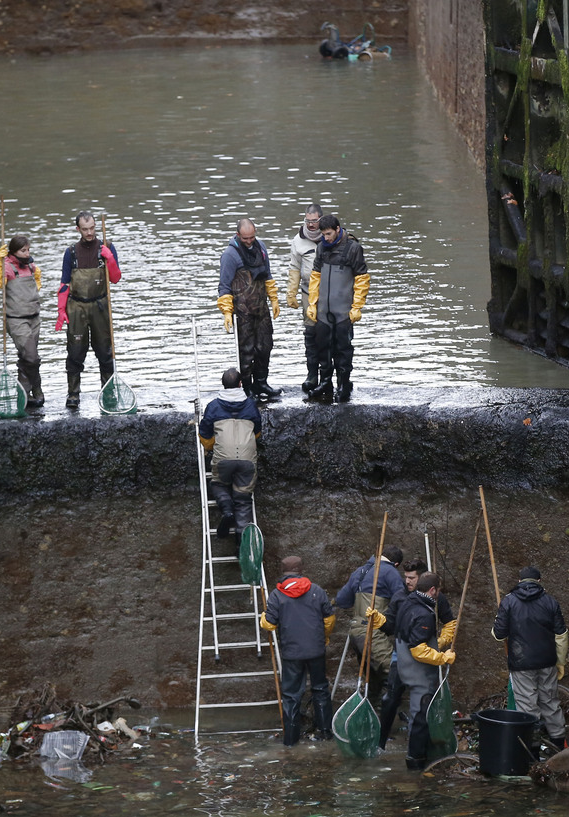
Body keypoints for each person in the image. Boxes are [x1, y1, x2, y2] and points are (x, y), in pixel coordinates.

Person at [368, 571, 455, 770]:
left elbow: (396, 628)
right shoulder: (424, 614)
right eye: (438, 591)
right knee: (420, 717)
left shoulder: (407, 603)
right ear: (433, 590)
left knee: (406, 707)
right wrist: (442, 657)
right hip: (418, 673)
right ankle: (415, 764)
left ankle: (389, 749)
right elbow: (418, 649)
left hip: (402, 666)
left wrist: (381, 621)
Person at [261, 555, 336, 746]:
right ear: (301, 570)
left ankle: (291, 739)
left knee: (291, 694)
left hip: (292, 652)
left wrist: (263, 617)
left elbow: (269, 624)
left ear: (283, 572)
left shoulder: (276, 595)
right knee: (320, 689)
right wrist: (324, 637)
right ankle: (325, 732)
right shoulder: (316, 591)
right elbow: (329, 619)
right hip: (316, 650)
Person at [492, 565, 569, 750]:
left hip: (521, 663)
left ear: (519, 582)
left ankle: (532, 753)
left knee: (527, 707)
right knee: (550, 703)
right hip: (547, 662)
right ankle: (558, 747)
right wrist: (560, 662)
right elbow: (561, 635)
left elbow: (499, 634)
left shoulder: (509, 601)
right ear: (539, 582)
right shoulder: (551, 602)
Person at [56, 211, 122, 409]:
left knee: (105, 351)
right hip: (76, 307)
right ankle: (73, 394)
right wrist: (61, 309)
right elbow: (64, 283)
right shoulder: (71, 252)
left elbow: (116, 278)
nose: (90, 233)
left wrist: (109, 259)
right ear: (78, 229)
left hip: (100, 305)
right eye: (85, 229)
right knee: (75, 352)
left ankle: (108, 392)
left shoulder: (107, 247)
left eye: (92, 228)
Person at [306, 214, 369, 404]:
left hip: (343, 312)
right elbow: (315, 276)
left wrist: (357, 306)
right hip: (324, 311)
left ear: (338, 229)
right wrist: (312, 303)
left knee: (343, 350)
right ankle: (325, 382)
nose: (326, 238)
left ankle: (344, 384)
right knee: (322, 349)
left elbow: (362, 279)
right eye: (323, 235)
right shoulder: (320, 249)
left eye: (329, 234)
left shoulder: (353, 248)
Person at [217, 218, 282, 401]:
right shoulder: (230, 255)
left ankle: (262, 382)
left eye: (252, 237)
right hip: (242, 311)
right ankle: (248, 387)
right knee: (246, 351)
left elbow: (267, 275)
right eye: (245, 238)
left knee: (265, 346)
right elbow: (224, 286)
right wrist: (227, 312)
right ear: (238, 235)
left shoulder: (260, 247)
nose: (249, 241)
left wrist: (274, 299)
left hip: (261, 309)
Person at [197, 367, 263, 540]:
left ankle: (227, 511)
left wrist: (211, 447)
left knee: (218, 484)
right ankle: (241, 545)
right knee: (243, 499)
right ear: (240, 384)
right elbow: (257, 432)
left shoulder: (213, 406)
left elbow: (204, 435)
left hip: (223, 459)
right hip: (247, 459)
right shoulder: (250, 404)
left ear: (223, 385)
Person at [334, 545, 404, 704]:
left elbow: (342, 601)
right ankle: (389, 717)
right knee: (394, 671)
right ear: (397, 564)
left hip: (356, 631)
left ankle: (371, 718)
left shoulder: (360, 571)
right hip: (373, 632)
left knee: (372, 678)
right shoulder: (391, 572)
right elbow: (401, 600)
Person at [376, 557, 432, 749]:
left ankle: (421, 744)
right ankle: (380, 742)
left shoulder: (433, 598)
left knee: (424, 700)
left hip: (425, 654)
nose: (408, 581)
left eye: (412, 578)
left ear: (422, 578)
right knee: (390, 698)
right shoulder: (399, 596)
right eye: (406, 577)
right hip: (400, 654)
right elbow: (390, 626)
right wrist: (380, 622)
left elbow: (446, 619)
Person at [0, 235, 44, 408]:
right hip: (16, 320)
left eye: (28, 249)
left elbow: (37, 284)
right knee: (32, 356)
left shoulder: (31, 267)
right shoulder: (7, 267)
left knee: (26, 358)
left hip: (34, 317)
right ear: (13, 252)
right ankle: (37, 388)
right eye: (23, 250)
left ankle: (23, 393)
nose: (27, 253)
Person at [286, 204, 324, 393]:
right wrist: (291, 292)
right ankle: (312, 375)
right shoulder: (297, 241)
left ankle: (329, 377)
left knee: (330, 336)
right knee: (311, 334)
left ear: (321, 220)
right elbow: (294, 267)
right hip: (308, 295)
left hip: (330, 295)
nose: (310, 225)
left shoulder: (331, 235)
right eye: (308, 221)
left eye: (314, 221)